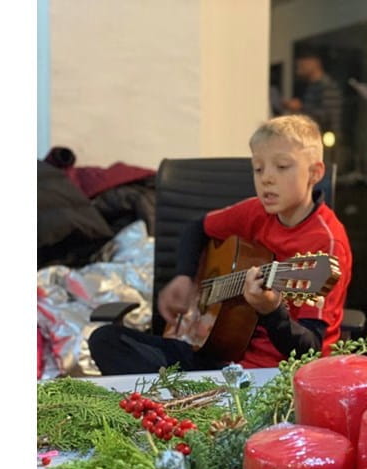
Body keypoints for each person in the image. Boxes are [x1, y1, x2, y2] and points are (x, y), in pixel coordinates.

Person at [89, 115, 353, 373]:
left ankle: (184, 403)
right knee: (105, 340)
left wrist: (272, 311)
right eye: (258, 168)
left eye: (282, 167)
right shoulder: (257, 211)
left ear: (315, 173)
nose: (267, 179)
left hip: (270, 374)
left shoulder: (324, 246)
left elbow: (310, 350)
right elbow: (197, 228)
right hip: (212, 355)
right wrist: (184, 277)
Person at [283, 52, 343, 138]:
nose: (300, 64)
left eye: (304, 60)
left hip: (324, 137)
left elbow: (327, 116)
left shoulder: (327, 86)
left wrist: (300, 107)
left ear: (315, 62)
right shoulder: (309, 85)